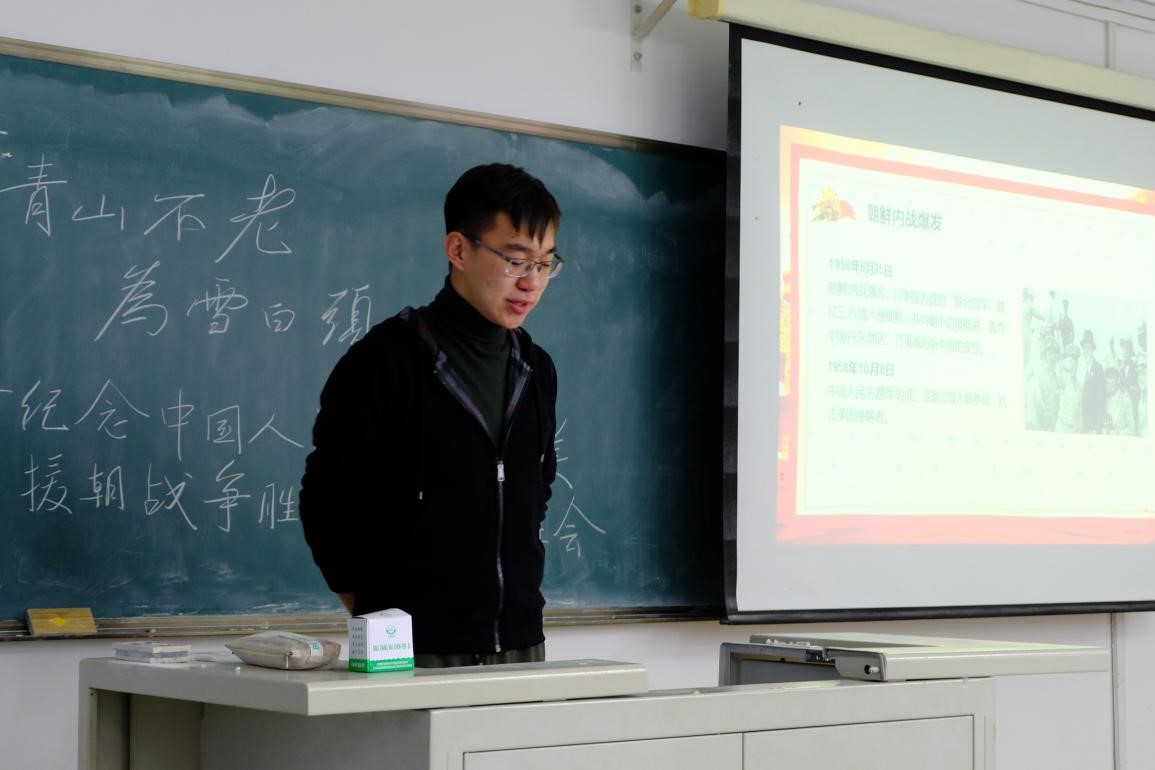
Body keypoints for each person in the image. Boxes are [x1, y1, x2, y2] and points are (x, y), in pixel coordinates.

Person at [299, 163, 563, 667]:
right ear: (458, 250)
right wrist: (377, 609)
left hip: (521, 644)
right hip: (413, 649)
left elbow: (536, 489)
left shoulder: (536, 368)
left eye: (545, 263)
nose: (531, 282)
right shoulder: (387, 359)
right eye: (515, 260)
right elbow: (327, 500)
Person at [1079, 330, 1107, 434]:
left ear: (1093, 350)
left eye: (1088, 347)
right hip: (1085, 423)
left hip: (1094, 424)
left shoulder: (1098, 368)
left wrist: (1097, 426)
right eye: (1084, 348)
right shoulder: (1085, 369)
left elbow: (1101, 399)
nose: (1086, 351)